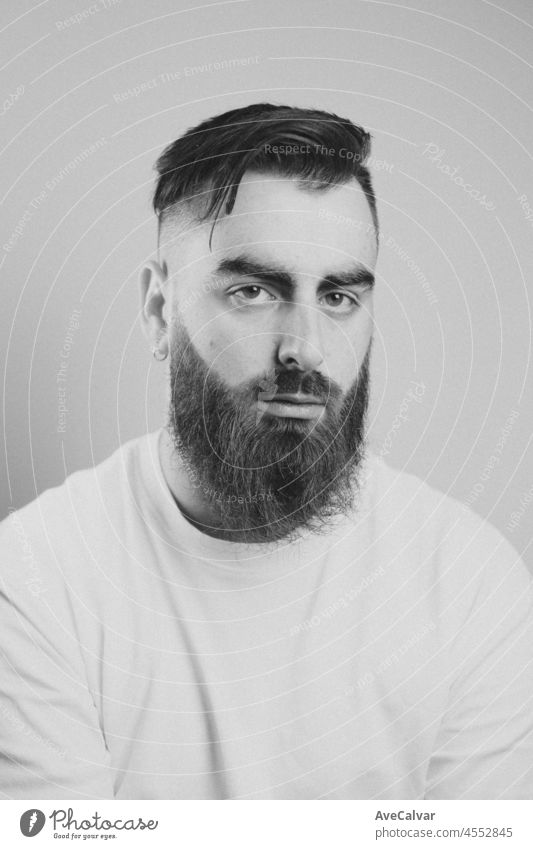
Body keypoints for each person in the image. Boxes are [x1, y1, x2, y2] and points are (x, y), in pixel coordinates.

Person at [1, 103, 532, 800]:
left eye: (339, 295)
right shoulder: (34, 580)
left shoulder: (468, 582)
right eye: (252, 291)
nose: (305, 347)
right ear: (161, 310)